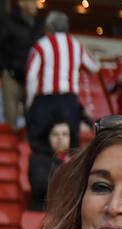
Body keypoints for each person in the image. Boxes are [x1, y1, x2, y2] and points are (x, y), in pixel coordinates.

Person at [25, 10, 97, 154]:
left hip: (45, 100)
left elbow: (31, 76)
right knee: (71, 144)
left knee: (40, 143)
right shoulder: (76, 45)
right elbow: (94, 66)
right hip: (69, 101)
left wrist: (29, 101)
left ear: (49, 28)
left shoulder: (41, 45)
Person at [0, 0, 43, 129]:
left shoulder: (39, 25)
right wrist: (3, 70)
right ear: (21, 3)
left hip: (32, 78)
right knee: (10, 120)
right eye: (32, 1)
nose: (36, 4)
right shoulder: (7, 20)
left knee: (34, 119)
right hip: (11, 76)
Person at [26, 119, 71, 211]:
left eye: (65, 134)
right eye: (55, 134)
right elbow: (40, 186)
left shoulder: (77, 159)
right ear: (48, 137)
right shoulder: (37, 158)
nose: (60, 138)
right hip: (44, 211)